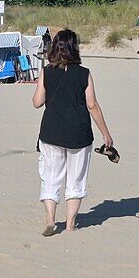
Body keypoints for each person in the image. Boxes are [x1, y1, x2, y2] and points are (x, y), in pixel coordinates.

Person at [32, 29, 113, 236]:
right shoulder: (84, 73)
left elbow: (37, 102)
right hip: (79, 134)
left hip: (51, 133)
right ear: (74, 48)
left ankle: (50, 218)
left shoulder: (46, 71)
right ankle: (70, 225)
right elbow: (92, 106)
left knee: (50, 177)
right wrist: (106, 134)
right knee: (76, 179)